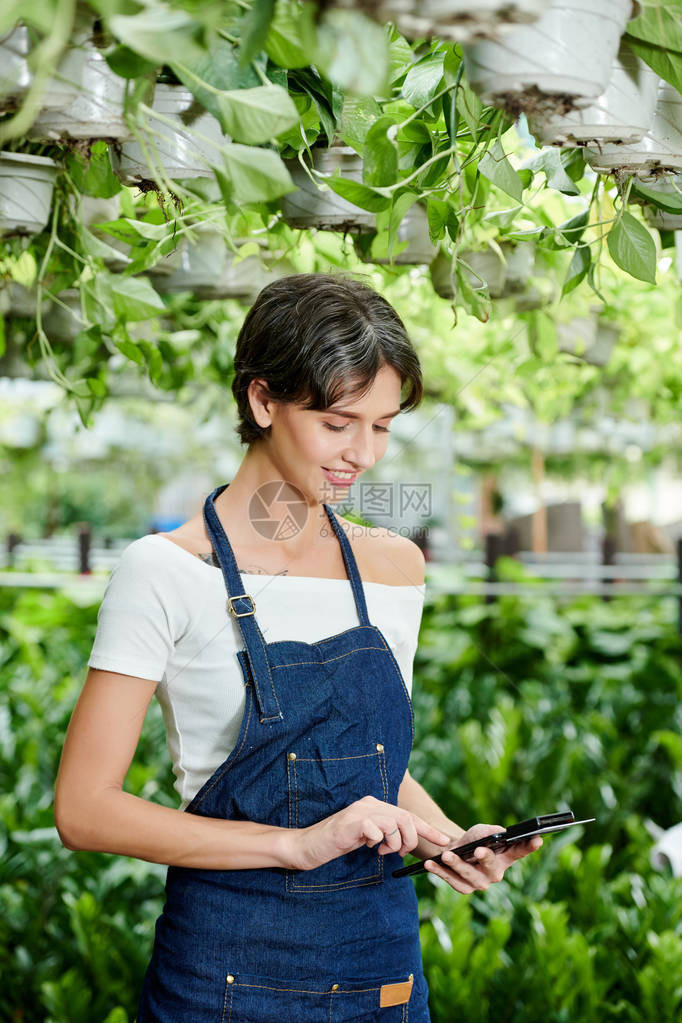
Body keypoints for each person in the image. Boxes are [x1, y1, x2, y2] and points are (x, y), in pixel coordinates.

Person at [54, 272, 541, 1022]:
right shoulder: (166, 571)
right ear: (262, 400)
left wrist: (448, 838)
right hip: (224, 980)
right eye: (340, 423)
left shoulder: (394, 566)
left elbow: (370, 766)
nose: (365, 455)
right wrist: (297, 845)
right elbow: (85, 810)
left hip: (381, 972)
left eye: (382, 426)